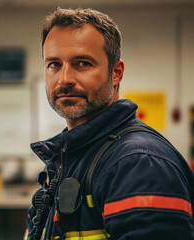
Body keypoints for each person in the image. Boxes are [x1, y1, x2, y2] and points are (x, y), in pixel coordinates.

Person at [26, 8, 194, 240]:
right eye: (54, 64)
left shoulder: (137, 162)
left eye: (82, 63)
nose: (64, 78)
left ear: (116, 73)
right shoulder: (69, 157)